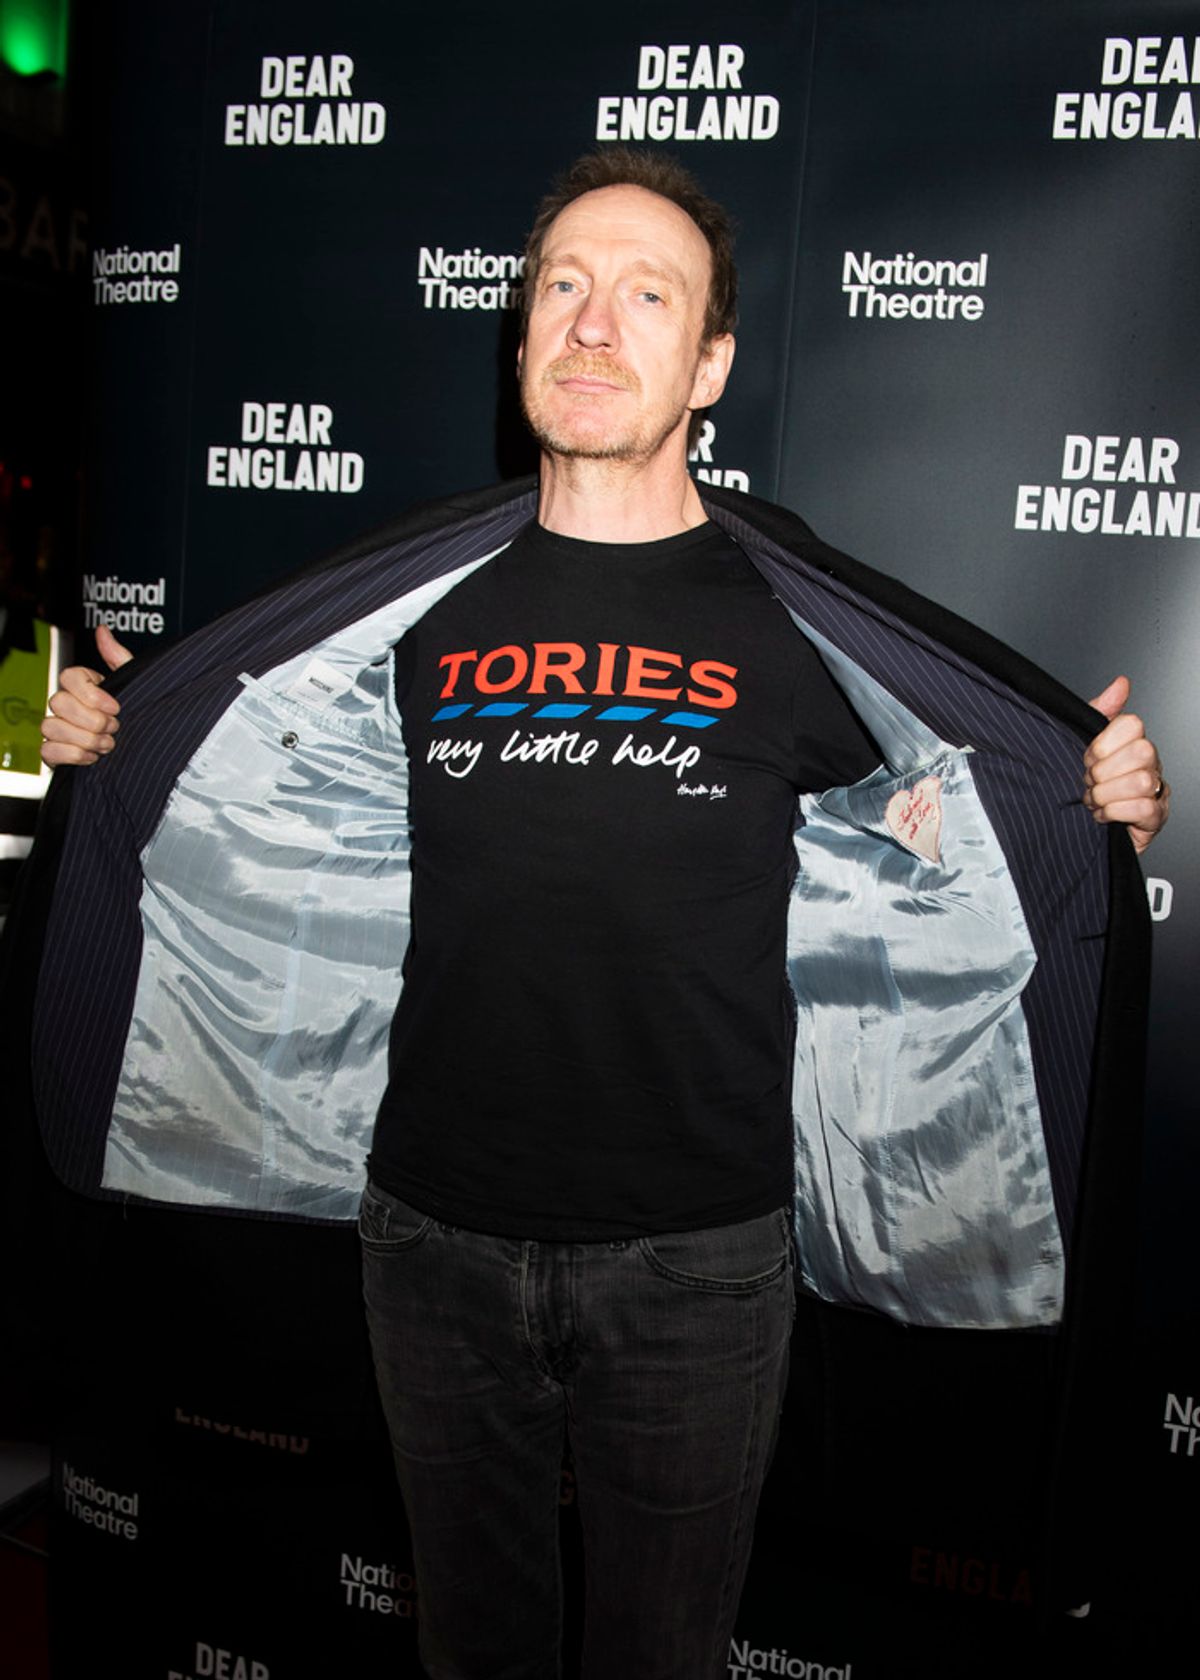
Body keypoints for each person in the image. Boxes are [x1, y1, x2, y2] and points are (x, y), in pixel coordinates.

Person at [36, 150, 1167, 1680]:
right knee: (476, 1654)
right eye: (562, 286)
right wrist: (120, 744)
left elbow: (955, 806)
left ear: (708, 364)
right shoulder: (412, 613)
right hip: (431, 1235)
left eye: (647, 296)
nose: (592, 324)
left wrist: (1087, 799)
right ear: (518, 344)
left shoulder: (798, 626)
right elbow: (256, 786)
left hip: (700, 1259)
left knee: (662, 1658)